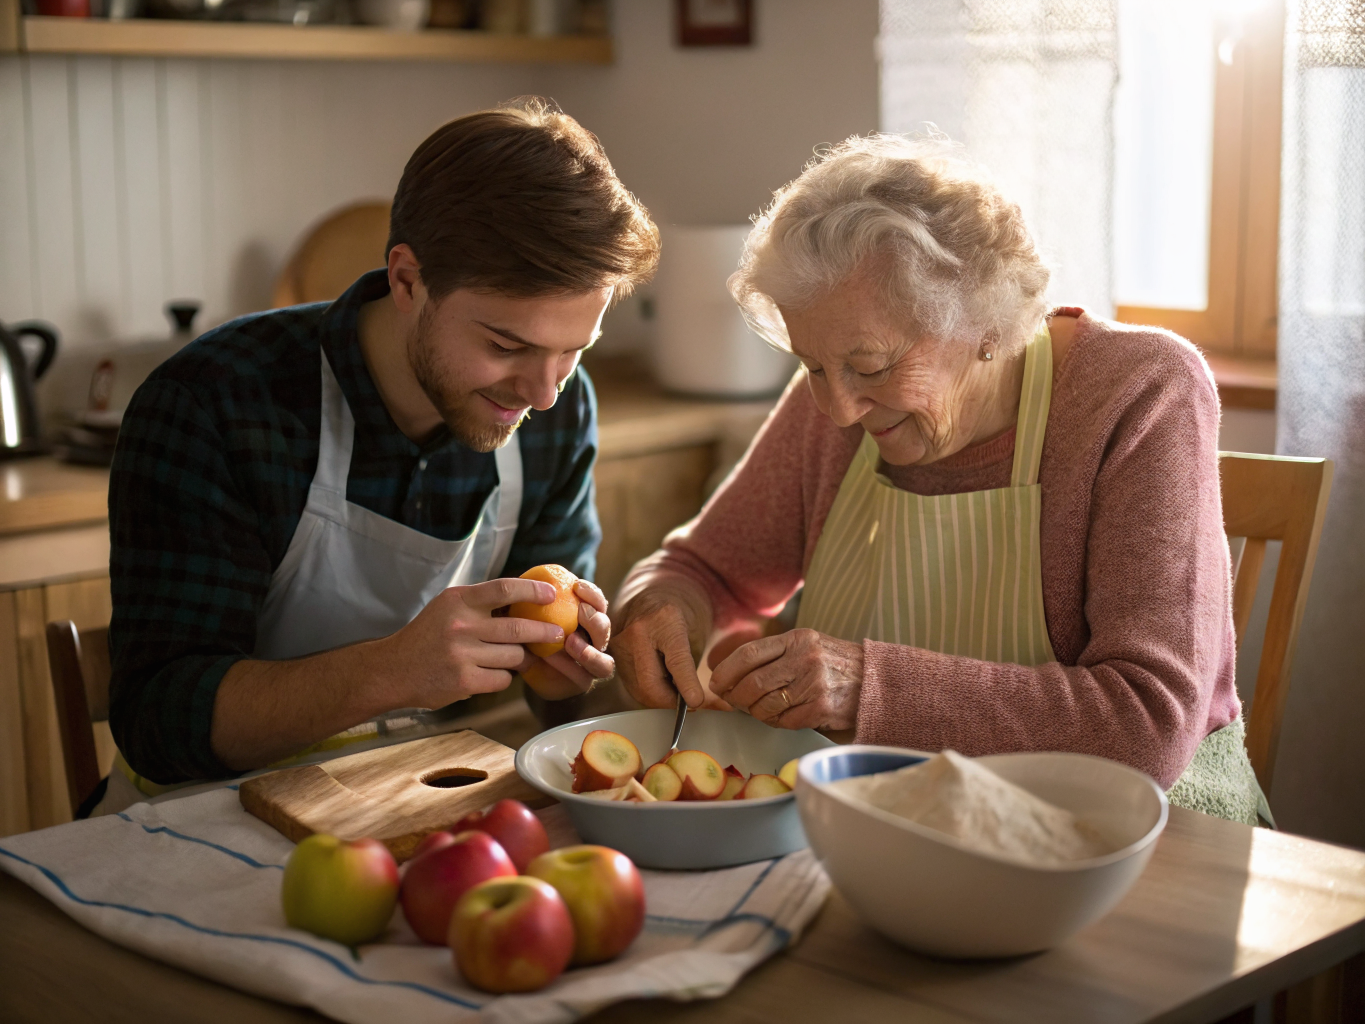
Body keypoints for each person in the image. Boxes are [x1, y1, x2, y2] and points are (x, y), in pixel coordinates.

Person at [609, 135, 1263, 825]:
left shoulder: (1137, 389)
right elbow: (704, 568)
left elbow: (1143, 727)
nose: (837, 408)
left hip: (1139, 844)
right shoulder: (834, 396)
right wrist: (660, 606)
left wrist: (864, 686)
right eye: (811, 366)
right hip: (898, 831)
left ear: (982, 322)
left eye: (871, 366)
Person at [102, 100, 658, 809]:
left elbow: (552, 692)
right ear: (406, 279)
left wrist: (557, 669)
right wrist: (392, 671)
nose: (544, 394)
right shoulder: (216, 404)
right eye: (505, 346)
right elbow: (158, 720)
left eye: (574, 350)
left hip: (411, 807)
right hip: (197, 824)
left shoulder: (554, 407)